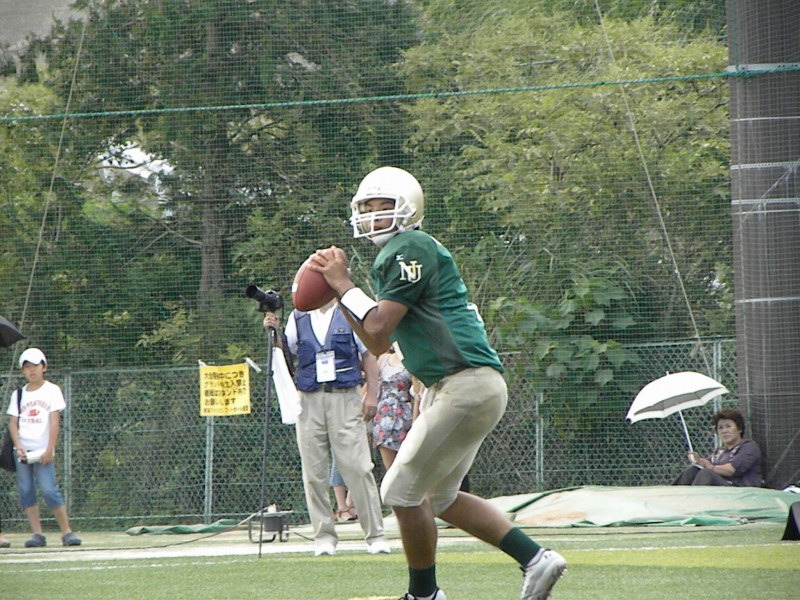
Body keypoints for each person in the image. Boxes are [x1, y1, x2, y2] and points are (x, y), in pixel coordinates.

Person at [307, 167, 566, 600]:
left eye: (383, 206)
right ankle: (537, 559)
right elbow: (378, 340)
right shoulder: (394, 256)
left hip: (465, 385)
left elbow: (380, 323)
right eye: (367, 208)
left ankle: (424, 595)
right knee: (441, 498)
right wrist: (341, 296)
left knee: (399, 491)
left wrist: (343, 284)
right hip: (459, 387)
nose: (373, 216)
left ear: (408, 208)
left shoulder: (410, 246)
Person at [263, 299, 390, 557]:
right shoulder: (299, 317)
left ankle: (375, 534)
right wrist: (273, 333)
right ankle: (323, 536)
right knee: (314, 471)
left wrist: (372, 394)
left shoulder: (349, 312)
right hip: (309, 397)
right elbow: (287, 355)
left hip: (344, 395)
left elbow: (368, 355)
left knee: (358, 467)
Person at [6, 348, 81, 547]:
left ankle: (66, 532)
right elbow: (13, 423)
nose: (32, 371)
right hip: (23, 451)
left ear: (44, 367)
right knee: (26, 490)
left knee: (49, 490)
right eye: (27, 367)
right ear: (22, 371)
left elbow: (54, 421)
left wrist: (49, 449)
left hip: (43, 450)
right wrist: (18, 446)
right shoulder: (18, 394)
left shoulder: (52, 390)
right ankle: (37, 534)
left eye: (35, 366)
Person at [673, 407, 763, 487]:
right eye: (720, 428)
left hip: (740, 492)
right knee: (692, 470)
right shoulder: (719, 452)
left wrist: (710, 467)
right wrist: (699, 461)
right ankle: (674, 497)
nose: (724, 431)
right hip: (720, 491)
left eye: (728, 426)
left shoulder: (748, 447)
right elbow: (705, 465)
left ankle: (695, 499)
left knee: (706, 473)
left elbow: (731, 470)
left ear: (739, 429)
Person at [372, 344, 417, 471]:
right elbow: (373, 387)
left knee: (407, 467)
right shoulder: (384, 358)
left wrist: (415, 425)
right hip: (384, 418)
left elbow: (417, 395)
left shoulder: (413, 360)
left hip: (405, 417)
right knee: (391, 470)